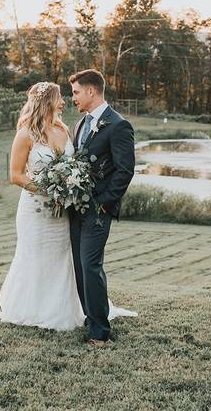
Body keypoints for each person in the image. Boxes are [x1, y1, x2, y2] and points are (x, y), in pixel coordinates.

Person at [0, 80, 136, 337]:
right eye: (61, 97)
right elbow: (16, 175)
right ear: (48, 101)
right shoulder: (26, 132)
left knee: (63, 259)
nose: (65, 101)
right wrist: (48, 189)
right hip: (36, 209)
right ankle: (34, 308)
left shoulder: (64, 128)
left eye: (71, 94)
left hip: (63, 212)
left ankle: (67, 308)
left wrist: (69, 188)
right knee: (35, 256)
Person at [68, 69, 137, 345]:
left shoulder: (118, 125)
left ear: (91, 91)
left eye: (75, 92)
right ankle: (90, 317)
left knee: (90, 265)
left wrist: (104, 204)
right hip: (75, 208)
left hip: (98, 211)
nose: (72, 97)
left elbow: (125, 171)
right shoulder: (80, 125)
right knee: (79, 267)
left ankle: (99, 332)